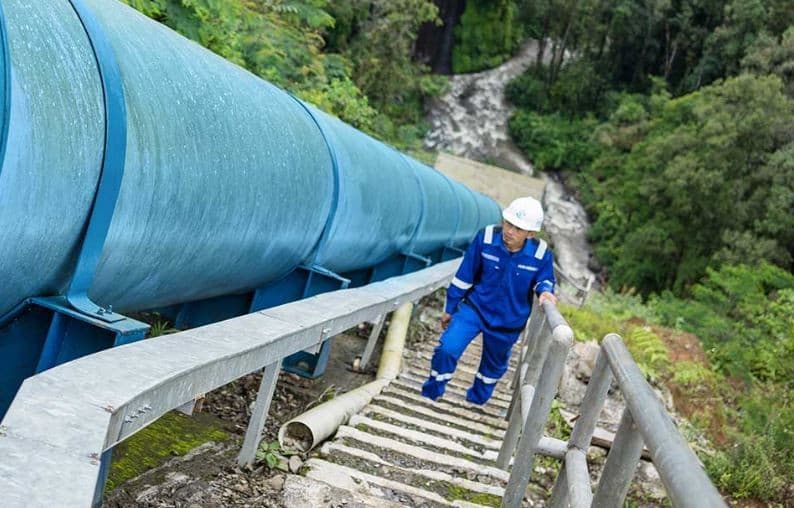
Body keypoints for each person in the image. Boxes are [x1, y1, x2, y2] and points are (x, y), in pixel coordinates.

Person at [421, 196, 557, 405]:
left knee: (493, 367)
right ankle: (432, 392)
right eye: (508, 223)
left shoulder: (540, 254)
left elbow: (544, 279)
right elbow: (464, 275)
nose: (509, 231)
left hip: (509, 320)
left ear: (530, 234)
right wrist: (450, 308)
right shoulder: (486, 238)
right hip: (475, 308)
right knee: (447, 347)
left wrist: (546, 292)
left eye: (518, 228)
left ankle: (476, 401)